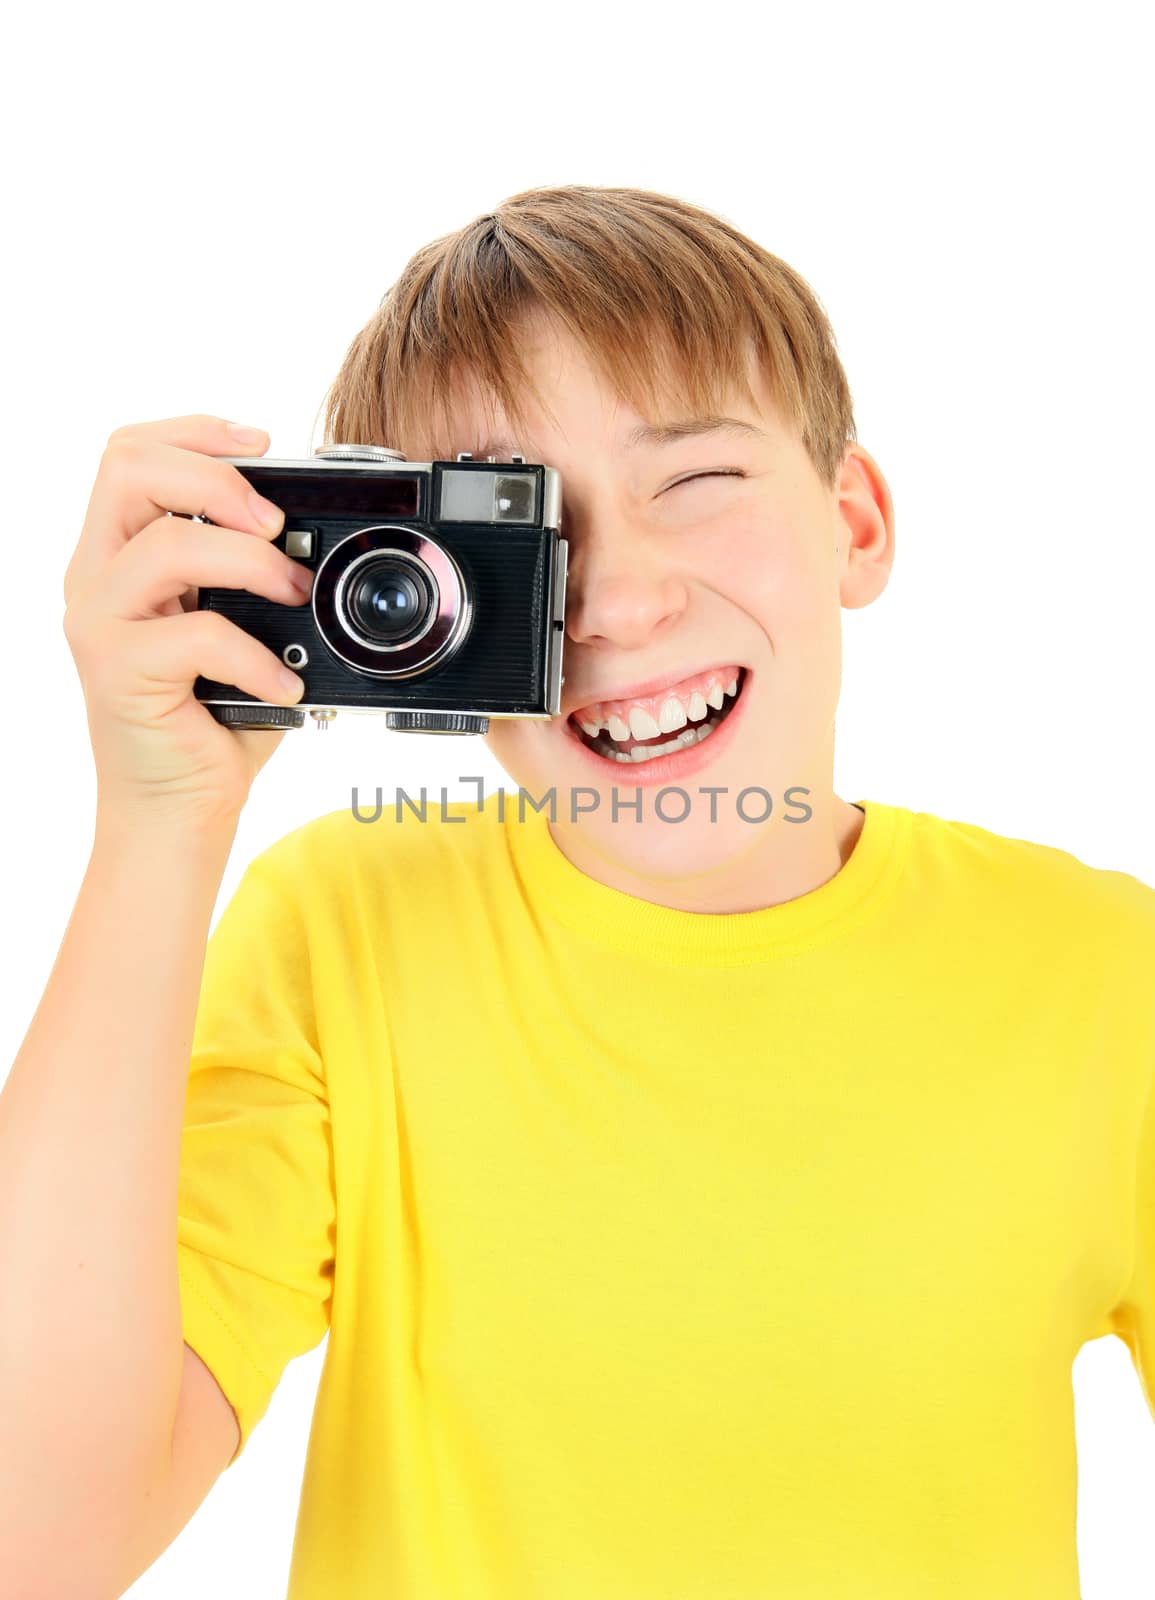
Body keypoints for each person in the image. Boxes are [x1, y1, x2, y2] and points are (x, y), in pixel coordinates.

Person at [2, 183, 1153, 1599]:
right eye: (520, 532)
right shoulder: (344, 931)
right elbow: (35, 1541)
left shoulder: (1105, 976)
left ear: (854, 521)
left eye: (696, 481)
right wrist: (157, 825)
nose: (614, 602)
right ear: (414, 607)